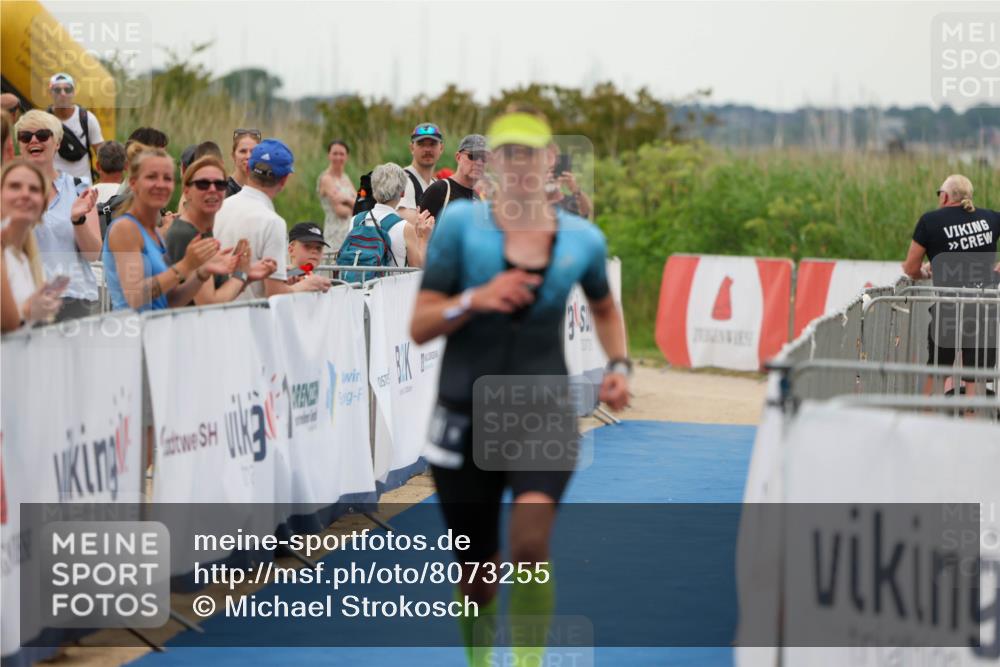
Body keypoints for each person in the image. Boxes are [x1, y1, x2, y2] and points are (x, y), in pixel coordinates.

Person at [409, 111, 630, 667]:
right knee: (478, 572)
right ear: (493, 166)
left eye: (530, 154)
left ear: (549, 159)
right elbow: (420, 324)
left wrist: (620, 364)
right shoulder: (461, 229)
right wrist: (475, 300)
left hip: (544, 410)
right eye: (508, 155)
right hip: (465, 412)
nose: (520, 166)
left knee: (531, 543)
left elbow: (604, 307)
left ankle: (528, 663)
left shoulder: (582, 239)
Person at [102, 144, 233, 312]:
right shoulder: (125, 228)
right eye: (151, 177)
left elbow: (169, 302)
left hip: (158, 331)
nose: (161, 184)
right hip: (134, 334)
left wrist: (201, 273)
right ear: (133, 183)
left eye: (167, 178)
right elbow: (136, 297)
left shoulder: (155, 233)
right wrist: (185, 265)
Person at [902, 174, 1000, 395]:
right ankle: (970, 426)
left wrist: (925, 273)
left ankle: (928, 423)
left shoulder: (930, 221)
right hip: (983, 307)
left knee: (938, 370)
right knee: (976, 373)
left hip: (948, 308)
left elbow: (910, 268)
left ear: (945, 196)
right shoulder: (991, 218)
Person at [215, 138, 330, 299]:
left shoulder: (220, 207)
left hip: (215, 314)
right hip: (251, 318)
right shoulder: (272, 222)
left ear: (248, 168)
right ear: (284, 180)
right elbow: (275, 293)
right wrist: (306, 285)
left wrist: (282, 274)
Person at [14, 110, 101, 321]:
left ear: (58, 143)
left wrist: (77, 220)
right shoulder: (8, 193)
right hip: (26, 301)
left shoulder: (79, 187)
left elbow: (93, 254)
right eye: (25, 137)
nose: (34, 140)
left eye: (43, 135)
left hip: (75, 299)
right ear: (19, 144)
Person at [164, 156, 277, 304]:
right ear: (186, 191)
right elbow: (209, 303)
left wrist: (246, 276)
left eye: (220, 184)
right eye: (203, 184)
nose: (212, 189)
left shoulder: (204, 229)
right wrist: (240, 275)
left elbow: (219, 293)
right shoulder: (186, 234)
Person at [1, 160, 67, 328]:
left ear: (43, 205)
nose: (25, 194)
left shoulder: (26, 259)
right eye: (15, 186)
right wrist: (28, 312)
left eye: (34, 189)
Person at [47, 73, 104, 183]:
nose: (63, 94)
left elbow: (102, 154)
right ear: (51, 93)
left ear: (73, 92)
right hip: (54, 186)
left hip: (82, 187)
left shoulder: (87, 119)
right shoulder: (44, 121)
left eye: (67, 89)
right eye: (57, 90)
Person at [418, 134, 487, 222]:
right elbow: (418, 231)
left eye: (484, 158)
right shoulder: (440, 190)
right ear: (458, 157)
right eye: (472, 156)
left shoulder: (478, 198)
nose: (479, 162)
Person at [397, 122, 444, 224]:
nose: (427, 149)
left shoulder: (437, 184)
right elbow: (401, 216)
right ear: (412, 148)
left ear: (441, 148)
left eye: (432, 144)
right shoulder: (403, 179)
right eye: (421, 144)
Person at [317, 139, 355, 252]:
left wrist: (346, 199)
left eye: (342, 154)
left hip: (349, 232)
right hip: (334, 233)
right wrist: (352, 204)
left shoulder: (346, 178)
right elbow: (341, 211)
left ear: (346, 157)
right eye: (335, 153)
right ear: (329, 155)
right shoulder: (326, 179)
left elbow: (360, 204)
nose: (338, 157)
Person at [227, 128, 261, 198]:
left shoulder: (263, 191)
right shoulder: (223, 190)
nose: (248, 156)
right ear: (233, 156)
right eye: (243, 151)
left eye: (253, 151)